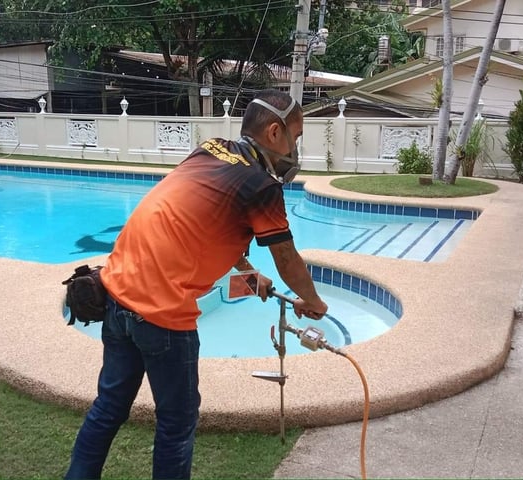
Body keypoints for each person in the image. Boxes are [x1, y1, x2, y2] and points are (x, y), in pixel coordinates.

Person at [64, 89, 329, 480]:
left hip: (116, 294)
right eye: (296, 136)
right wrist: (313, 301)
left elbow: (197, 222)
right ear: (275, 133)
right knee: (175, 424)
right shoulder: (262, 185)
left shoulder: (211, 149)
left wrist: (246, 272)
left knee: (109, 407)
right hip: (163, 315)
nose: (296, 148)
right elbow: (287, 260)